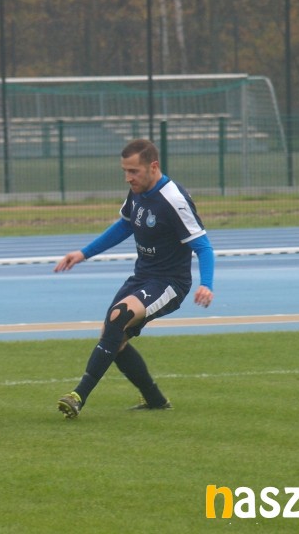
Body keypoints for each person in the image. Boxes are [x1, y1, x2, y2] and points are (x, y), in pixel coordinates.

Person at [54, 139, 214, 419]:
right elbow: (124, 226)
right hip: (143, 277)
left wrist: (206, 284)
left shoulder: (174, 199)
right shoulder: (138, 192)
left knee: (120, 316)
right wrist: (83, 253)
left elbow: (203, 246)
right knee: (113, 339)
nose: (128, 178)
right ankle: (155, 399)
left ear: (153, 167)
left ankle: (78, 395)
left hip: (170, 283)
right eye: (125, 171)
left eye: (134, 171)